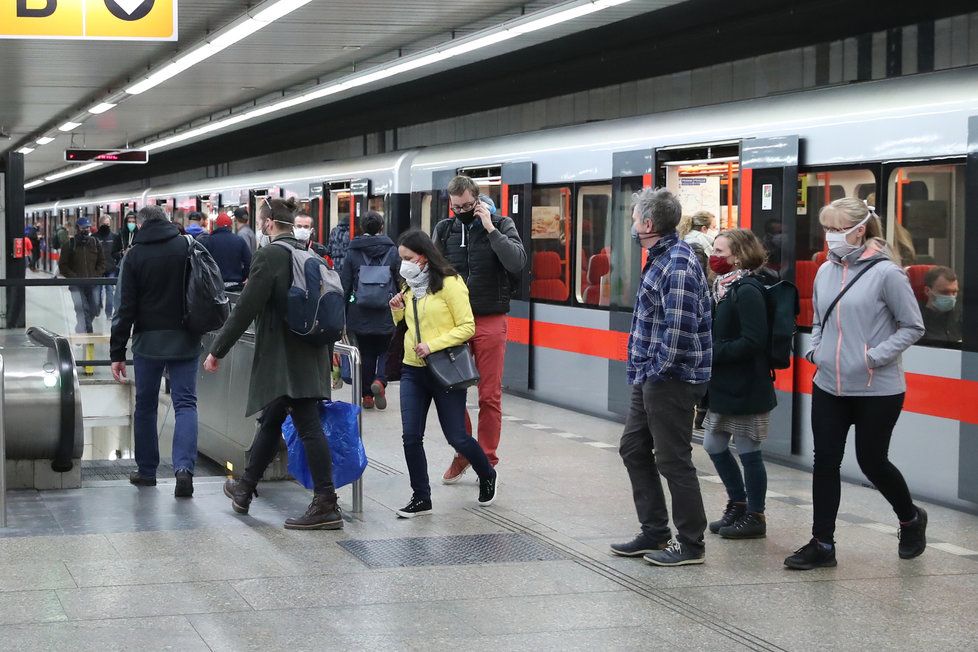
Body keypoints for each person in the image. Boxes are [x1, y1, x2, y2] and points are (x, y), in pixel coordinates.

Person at [784, 197, 926, 570]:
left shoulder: (887, 274)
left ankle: (910, 518)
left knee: (872, 462)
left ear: (859, 230)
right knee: (825, 462)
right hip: (829, 384)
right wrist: (816, 351)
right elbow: (819, 320)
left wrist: (873, 357)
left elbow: (913, 326)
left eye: (835, 229)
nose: (829, 236)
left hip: (877, 388)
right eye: (826, 229)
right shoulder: (824, 271)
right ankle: (822, 543)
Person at [211, 198, 343, 530]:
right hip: (310, 353)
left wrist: (217, 350)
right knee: (271, 419)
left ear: (269, 224)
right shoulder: (309, 253)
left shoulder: (269, 255)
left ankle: (327, 503)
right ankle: (244, 488)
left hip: (286, 359)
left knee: (308, 425)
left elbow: (245, 308)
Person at [610, 188, 712, 567]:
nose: (633, 224)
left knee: (673, 460)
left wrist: (655, 372)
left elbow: (679, 331)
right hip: (650, 377)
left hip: (671, 379)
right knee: (634, 449)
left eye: (635, 218)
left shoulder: (678, 263)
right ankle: (654, 530)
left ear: (648, 224)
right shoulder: (661, 258)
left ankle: (691, 544)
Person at [389, 229, 497, 518]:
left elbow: (467, 327)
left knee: (457, 437)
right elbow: (408, 327)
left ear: (423, 257)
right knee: (411, 436)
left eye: (408, 258)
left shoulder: (451, 283)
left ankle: (487, 472)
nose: (404, 264)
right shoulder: (409, 286)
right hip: (413, 368)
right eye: (402, 259)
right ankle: (421, 497)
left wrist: (433, 344)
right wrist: (397, 311)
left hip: (446, 367)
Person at [435, 175, 526, 482]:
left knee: (489, 395)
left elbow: (517, 262)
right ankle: (465, 452)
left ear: (477, 201)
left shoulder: (501, 225)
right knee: (453, 389)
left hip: (490, 318)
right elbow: (431, 270)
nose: (460, 210)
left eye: (467, 205)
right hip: (454, 321)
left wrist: (489, 228)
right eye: (455, 205)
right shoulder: (444, 229)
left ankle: (486, 460)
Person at [110, 206, 202, 498]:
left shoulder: (134, 255)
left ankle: (147, 472)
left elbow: (124, 308)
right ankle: (184, 470)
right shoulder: (187, 246)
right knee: (185, 403)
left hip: (148, 342)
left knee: (146, 406)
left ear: (141, 224)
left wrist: (116, 352)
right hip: (185, 337)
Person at [701, 229, 776, 539]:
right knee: (713, 443)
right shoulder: (721, 288)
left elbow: (754, 340)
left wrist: (714, 351)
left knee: (747, 448)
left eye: (721, 251)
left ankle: (755, 514)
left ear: (740, 256)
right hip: (724, 384)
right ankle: (738, 502)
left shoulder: (747, 291)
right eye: (714, 250)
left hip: (747, 384)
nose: (714, 257)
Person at [339, 210, 399, 410]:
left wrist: (342, 313)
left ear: (362, 228)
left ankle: (366, 396)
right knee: (384, 350)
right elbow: (401, 282)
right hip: (386, 310)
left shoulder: (353, 251)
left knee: (365, 353)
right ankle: (380, 381)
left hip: (359, 311)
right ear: (382, 227)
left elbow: (345, 284)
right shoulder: (393, 251)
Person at [59, 217, 105, 334]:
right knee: (82, 309)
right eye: (83, 227)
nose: (86, 230)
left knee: (94, 309)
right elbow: (63, 266)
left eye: (88, 227)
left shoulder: (95, 243)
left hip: (93, 284)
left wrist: (96, 275)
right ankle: (88, 335)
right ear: (77, 229)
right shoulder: (69, 245)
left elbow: (102, 263)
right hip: (76, 285)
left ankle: (80, 328)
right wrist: (74, 277)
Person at [201, 213, 252, 290]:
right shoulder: (239, 240)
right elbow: (249, 261)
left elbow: (202, 263)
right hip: (235, 285)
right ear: (230, 226)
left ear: (216, 226)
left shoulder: (208, 241)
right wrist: (244, 276)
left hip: (214, 285)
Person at [919, 266, 961, 344]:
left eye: (954, 292)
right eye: (945, 292)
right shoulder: (916, 322)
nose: (951, 297)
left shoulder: (961, 318)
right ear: (927, 291)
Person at [94, 216, 118, 320]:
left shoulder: (115, 237)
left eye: (108, 224)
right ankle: (97, 310)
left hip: (111, 268)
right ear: (100, 225)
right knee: (97, 290)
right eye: (105, 224)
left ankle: (109, 313)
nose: (107, 226)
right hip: (98, 269)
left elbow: (117, 252)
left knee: (109, 290)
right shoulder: (94, 237)